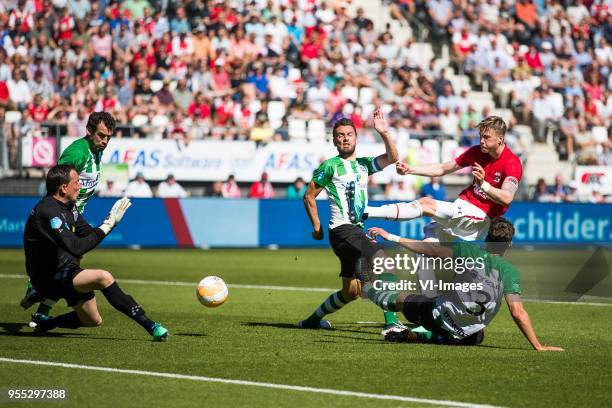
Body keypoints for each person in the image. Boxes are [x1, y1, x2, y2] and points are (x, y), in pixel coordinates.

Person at [358, 218, 563, 351]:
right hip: (466, 332)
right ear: (509, 244)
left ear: (486, 238)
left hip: (437, 315)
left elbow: (429, 250)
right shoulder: (509, 272)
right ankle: (417, 335)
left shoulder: (467, 250)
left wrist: (391, 236)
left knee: (397, 300)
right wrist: (538, 345)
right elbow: (517, 311)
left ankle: (367, 287)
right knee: (478, 336)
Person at [24, 164, 168, 341]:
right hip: (47, 276)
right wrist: (107, 226)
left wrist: (108, 222)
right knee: (103, 277)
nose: (80, 186)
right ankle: (151, 325)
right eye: (77, 182)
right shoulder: (48, 212)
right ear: (63, 187)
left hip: (65, 270)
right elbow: (77, 247)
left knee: (93, 320)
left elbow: (88, 234)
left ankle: (46, 323)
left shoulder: (69, 206)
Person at [299, 110, 404, 334]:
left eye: (349, 134)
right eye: (340, 135)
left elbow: (393, 158)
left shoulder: (364, 165)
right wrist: (316, 227)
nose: (345, 138)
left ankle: (311, 321)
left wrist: (384, 133)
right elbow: (309, 196)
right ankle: (392, 323)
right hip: (342, 230)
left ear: (356, 137)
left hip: (352, 232)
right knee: (383, 261)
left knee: (351, 292)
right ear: (334, 140)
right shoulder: (329, 166)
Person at [20, 111, 117, 323]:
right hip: (63, 215)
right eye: (101, 135)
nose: (105, 141)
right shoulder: (77, 153)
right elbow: (57, 182)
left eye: (109, 137)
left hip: (74, 215)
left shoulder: (96, 150)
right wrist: (55, 214)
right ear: (89, 131)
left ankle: (41, 308)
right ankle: (34, 288)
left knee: (71, 262)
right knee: (66, 264)